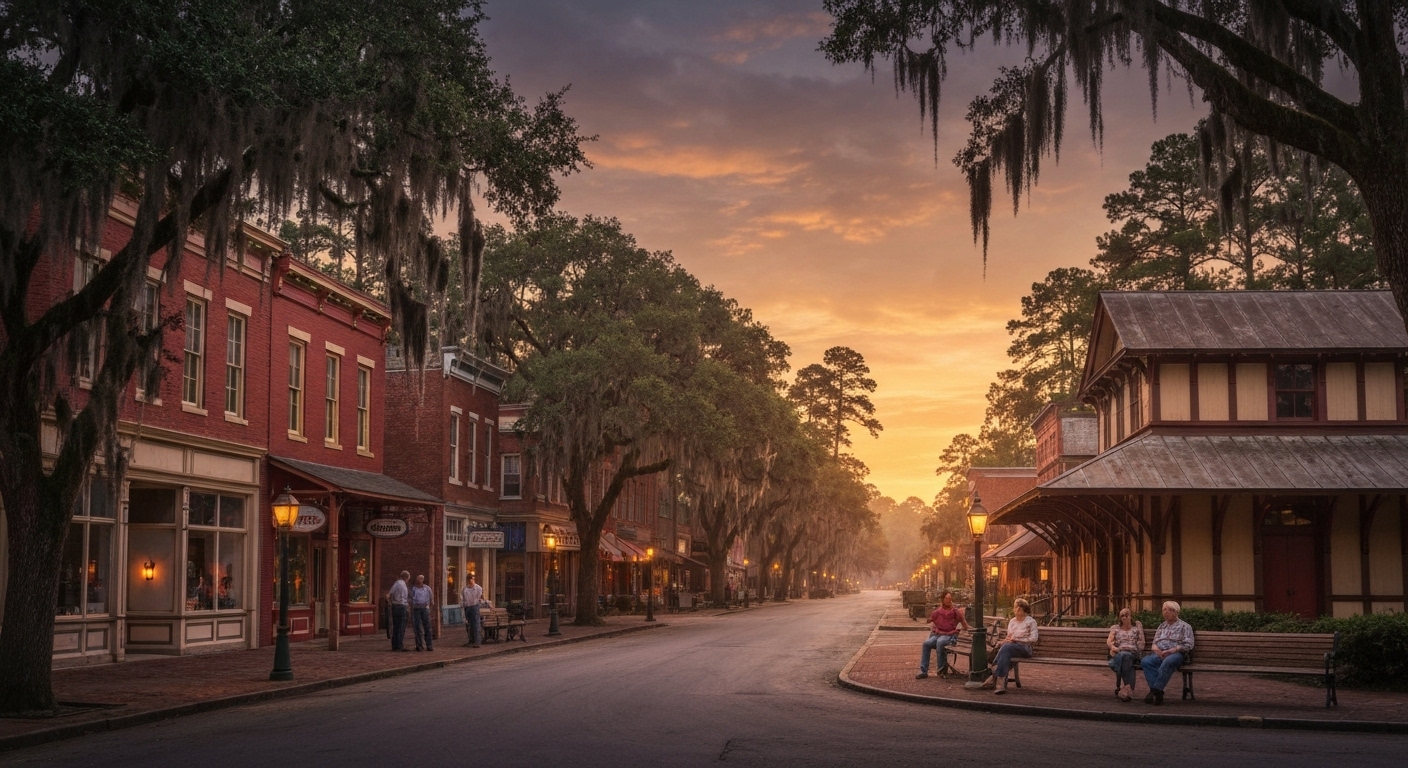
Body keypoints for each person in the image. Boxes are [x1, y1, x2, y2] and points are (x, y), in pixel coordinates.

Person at [1141, 600, 1194, 705]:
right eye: (1164, 610)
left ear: (1176, 612)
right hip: (1160, 653)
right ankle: (1158, 692)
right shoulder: (1162, 626)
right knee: (1146, 661)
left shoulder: (1185, 626)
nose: (1166, 612)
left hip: (1176, 654)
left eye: (1169, 610)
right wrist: (1157, 650)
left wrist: (1173, 650)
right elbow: (1155, 643)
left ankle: (1155, 690)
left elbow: (1189, 644)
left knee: (1167, 662)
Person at [984, 598, 1038, 694]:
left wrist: (1018, 639)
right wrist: (1003, 641)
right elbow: (1009, 637)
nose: (1016, 609)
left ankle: (995, 675)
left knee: (1006, 648)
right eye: (1015, 607)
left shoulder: (1031, 622)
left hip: (1024, 648)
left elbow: (1034, 638)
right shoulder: (1012, 621)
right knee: (1006, 650)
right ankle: (1000, 686)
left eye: (1018, 607)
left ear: (1024, 609)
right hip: (1011, 647)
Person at [916, 591, 970, 679]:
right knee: (926, 644)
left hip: (950, 635)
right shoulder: (938, 612)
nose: (948, 600)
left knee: (940, 642)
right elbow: (931, 620)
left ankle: (941, 670)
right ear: (943, 599)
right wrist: (933, 627)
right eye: (947, 598)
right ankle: (923, 671)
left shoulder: (954, 611)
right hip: (938, 634)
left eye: (950, 599)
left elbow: (963, 621)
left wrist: (968, 630)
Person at [1106, 608, 1145, 701]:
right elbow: (1109, 641)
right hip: (1120, 653)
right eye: (1122, 616)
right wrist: (1113, 648)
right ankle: (1128, 690)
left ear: (1131, 616)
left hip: (1132, 654)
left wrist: (1137, 650)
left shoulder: (1136, 628)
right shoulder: (1115, 628)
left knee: (1124, 656)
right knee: (1124, 657)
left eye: (1126, 615)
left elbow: (1141, 642)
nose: (1124, 617)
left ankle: (1125, 687)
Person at [386, 571, 410, 652]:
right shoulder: (401, 584)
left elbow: (389, 594)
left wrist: (390, 602)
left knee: (396, 626)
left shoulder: (396, 583)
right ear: (406, 577)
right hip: (401, 606)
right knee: (401, 627)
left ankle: (395, 645)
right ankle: (399, 645)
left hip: (395, 606)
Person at [410, 574, 435, 651]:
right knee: (418, 628)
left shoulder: (427, 589)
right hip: (416, 609)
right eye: (418, 580)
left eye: (420, 580)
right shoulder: (413, 589)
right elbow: (410, 599)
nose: (419, 582)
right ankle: (419, 645)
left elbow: (431, 599)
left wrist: (429, 607)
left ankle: (429, 645)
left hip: (425, 608)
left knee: (427, 627)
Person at [461, 574, 484, 648]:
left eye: (472, 579)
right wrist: (464, 605)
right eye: (469, 579)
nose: (470, 581)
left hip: (474, 606)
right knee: (469, 625)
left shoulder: (478, 588)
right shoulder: (465, 589)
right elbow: (463, 599)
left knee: (476, 625)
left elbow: (480, 597)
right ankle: (471, 640)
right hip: (467, 607)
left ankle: (477, 641)